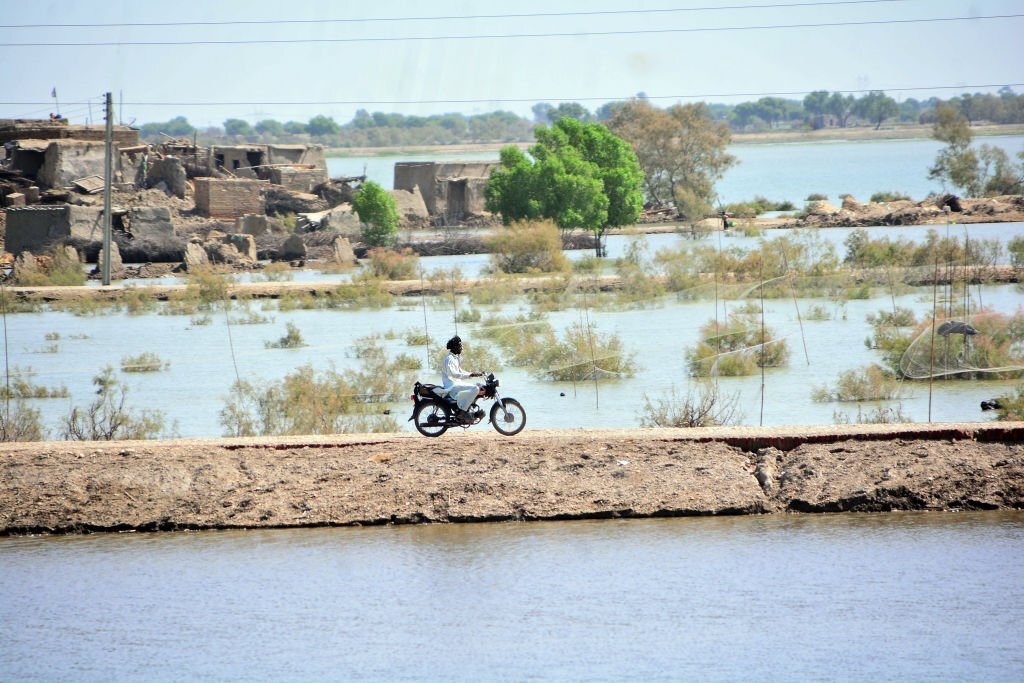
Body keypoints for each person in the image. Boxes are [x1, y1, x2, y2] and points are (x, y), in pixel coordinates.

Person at [441, 335, 483, 416]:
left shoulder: (454, 358)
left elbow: (460, 371)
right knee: (475, 388)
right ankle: (462, 412)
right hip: (452, 386)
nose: (462, 348)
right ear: (455, 347)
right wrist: (471, 375)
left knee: (478, 385)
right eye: (460, 346)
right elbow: (454, 374)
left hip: (456, 384)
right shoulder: (450, 359)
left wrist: (473, 373)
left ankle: (468, 408)